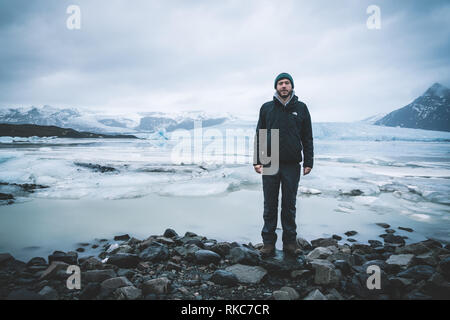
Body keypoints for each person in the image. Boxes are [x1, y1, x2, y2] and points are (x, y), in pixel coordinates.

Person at [253, 72, 314, 257]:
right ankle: (268, 243)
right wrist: (257, 160)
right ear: (276, 87)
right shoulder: (267, 108)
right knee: (270, 205)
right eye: (280, 83)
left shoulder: (301, 108)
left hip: (292, 163)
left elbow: (307, 137)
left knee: (289, 205)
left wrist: (308, 161)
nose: (284, 86)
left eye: (287, 83)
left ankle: (289, 243)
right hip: (270, 162)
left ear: (292, 86)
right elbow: (260, 134)